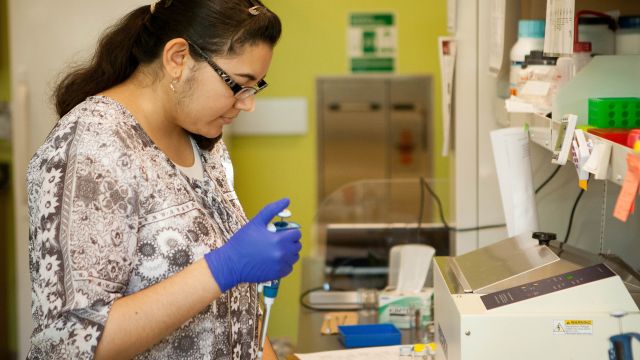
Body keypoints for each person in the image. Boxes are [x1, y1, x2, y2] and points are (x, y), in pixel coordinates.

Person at [26, 0, 302, 359]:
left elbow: (237, 310)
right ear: (177, 58)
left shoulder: (202, 142)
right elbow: (68, 342)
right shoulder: (92, 147)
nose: (247, 103)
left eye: (254, 87)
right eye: (238, 84)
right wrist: (224, 267)